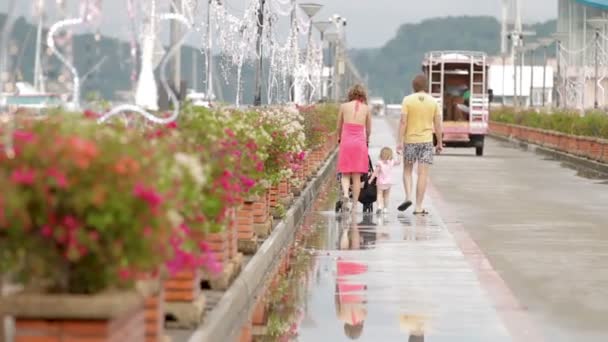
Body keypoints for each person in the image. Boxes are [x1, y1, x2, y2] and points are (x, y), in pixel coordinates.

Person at [397, 75, 443, 215]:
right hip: (426, 142)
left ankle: (408, 196)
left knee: (407, 171)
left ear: (413, 86)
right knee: (423, 174)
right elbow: (438, 124)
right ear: (426, 86)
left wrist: (399, 142)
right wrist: (439, 142)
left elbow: (403, 122)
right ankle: (418, 207)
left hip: (410, 140)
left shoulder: (407, 100)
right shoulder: (434, 102)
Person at [337, 84, 372, 212]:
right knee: (356, 177)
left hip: (346, 142)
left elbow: (338, 127)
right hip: (359, 143)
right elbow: (368, 129)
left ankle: (346, 194)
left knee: (345, 173)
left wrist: (338, 138)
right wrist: (367, 139)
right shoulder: (366, 109)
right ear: (363, 96)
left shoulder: (343, 107)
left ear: (350, 95)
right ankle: (355, 206)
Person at [369, 147, 401, 215]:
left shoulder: (379, 163)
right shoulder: (391, 162)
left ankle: (380, 206)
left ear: (381, 155)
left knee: (379, 195)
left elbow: (375, 173)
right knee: (386, 196)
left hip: (380, 182)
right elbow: (399, 162)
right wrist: (399, 155)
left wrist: (370, 180)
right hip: (388, 182)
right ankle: (385, 208)